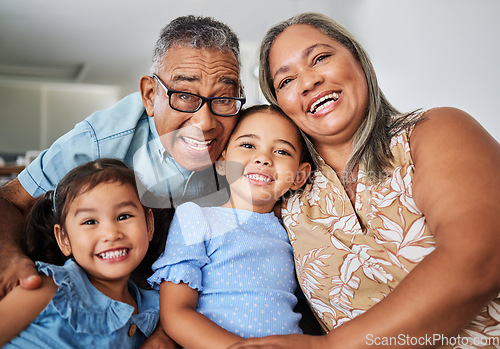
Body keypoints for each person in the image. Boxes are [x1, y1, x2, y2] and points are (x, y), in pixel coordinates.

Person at [228, 12, 500, 349]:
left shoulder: (436, 131)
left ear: (358, 59)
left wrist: (328, 347)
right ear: (281, 106)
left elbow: (480, 258)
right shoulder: (287, 194)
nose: (308, 82)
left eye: (321, 58)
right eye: (286, 81)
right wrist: (164, 321)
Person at [0, 15, 245, 299]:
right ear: (150, 95)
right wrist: (10, 258)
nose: (205, 123)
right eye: (185, 96)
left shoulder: (247, 135)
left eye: (224, 98)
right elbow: (10, 198)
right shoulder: (100, 140)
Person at [147, 105, 312, 348]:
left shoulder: (293, 230)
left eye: (281, 151)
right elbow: (176, 313)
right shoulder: (195, 217)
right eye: (248, 146)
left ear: (299, 176)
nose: (263, 158)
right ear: (222, 161)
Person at [0, 159, 160, 348]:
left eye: (123, 216)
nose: (110, 234)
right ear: (64, 239)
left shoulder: (153, 306)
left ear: (149, 224)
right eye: (90, 222)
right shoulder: (50, 286)